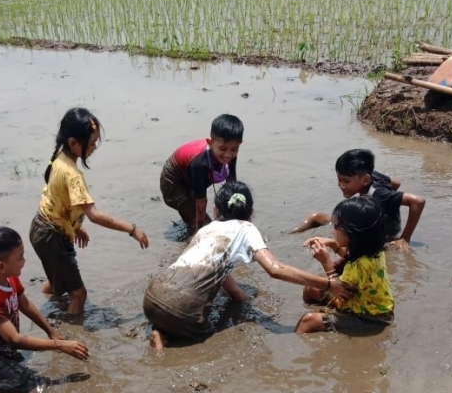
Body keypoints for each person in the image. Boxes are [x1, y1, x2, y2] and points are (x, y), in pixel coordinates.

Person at [143, 181, 349, 351]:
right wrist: (328, 284)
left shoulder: (208, 229)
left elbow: (211, 265)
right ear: (250, 213)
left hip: (152, 298)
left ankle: (159, 329)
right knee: (205, 336)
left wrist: (237, 294)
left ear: (216, 210)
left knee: (171, 314)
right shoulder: (247, 228)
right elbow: (275, 269)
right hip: (182, 310)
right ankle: (166, 338)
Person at [29, 108, 149, 314]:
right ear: (74, 143)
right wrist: (132, 229)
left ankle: (50, 308)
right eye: (91, 143)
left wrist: (76, 227)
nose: (94, 148)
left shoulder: (59, 159)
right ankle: (72, 336)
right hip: (53, 236)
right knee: (78, 294)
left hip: (41, 227)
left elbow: (57, 199)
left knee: (56, 277)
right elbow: (95, 215)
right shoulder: (73, 174)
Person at [0, 226, 89, 393]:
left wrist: (51, 332)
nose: (24, 261)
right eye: (20, 258)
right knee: (20, 385)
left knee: (21, 370)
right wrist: (57, 345)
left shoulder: (9, 278)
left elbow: (24, 304)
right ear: (1, 266)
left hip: (3, 350)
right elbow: (15, 339)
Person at [289, 148, 425, 251]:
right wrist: (390, 204)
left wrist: (405, 238)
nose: (341, 186)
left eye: (346, 181)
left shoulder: (379, 195)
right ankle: (290, 234)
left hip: (383, 232)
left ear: (365, 180)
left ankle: (291, 238)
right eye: (339, 180)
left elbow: (418, 201)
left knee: (348, 245)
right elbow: (395, 183)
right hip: (364, 217)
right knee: (316, 216)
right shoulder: (373, 175)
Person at [295, 197, 394, 336]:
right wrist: (334, 245)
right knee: (312, 288)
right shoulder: (374, 251)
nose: (333, 230)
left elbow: (340, 291)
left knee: (308, 321)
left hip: (369, 318)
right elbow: (350, 257)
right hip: (371, 305)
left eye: (336, 226)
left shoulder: (358, 267)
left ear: (351, 233)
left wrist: (325, 261)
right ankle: (329, 314)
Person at [160, 114, 243, 233]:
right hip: (173, 181)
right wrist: (200, 227)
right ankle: (193, 231)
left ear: (239, 144)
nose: (228, 155)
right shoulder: (200, 163)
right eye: (223, 149)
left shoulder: (230, 154)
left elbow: (231, 183)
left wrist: (233, 214)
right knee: (206, 230)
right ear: (210, 143)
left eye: (234, 149)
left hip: (191, 177)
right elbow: (201, 200)